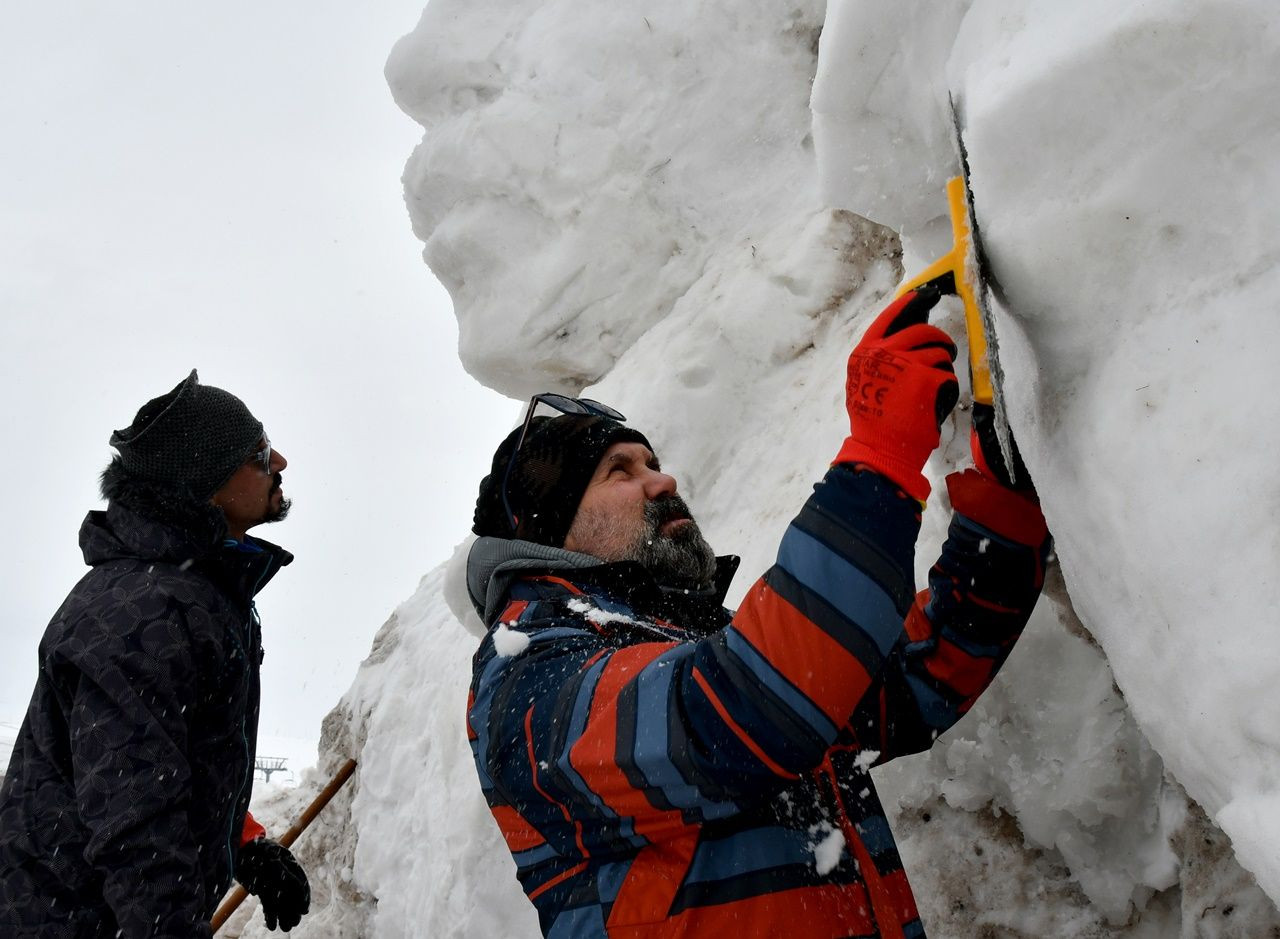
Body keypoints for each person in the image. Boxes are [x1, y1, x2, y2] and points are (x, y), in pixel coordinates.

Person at [465, 282, 1052, 937]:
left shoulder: (691, 653)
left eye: (653, 462)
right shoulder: (527, 679)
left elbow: (915, 680)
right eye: (619, 472)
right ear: (548, 527)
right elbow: (743, 710)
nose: (662, 481)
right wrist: (881, 455)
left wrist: (1001, 515)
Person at [0, 370, 311, 937]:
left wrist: (243, 844)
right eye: (258, 453)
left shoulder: (189, 595)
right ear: (206, 484)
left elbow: (166, 763)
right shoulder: (144, 612)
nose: (281, 461)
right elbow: (134, 821)